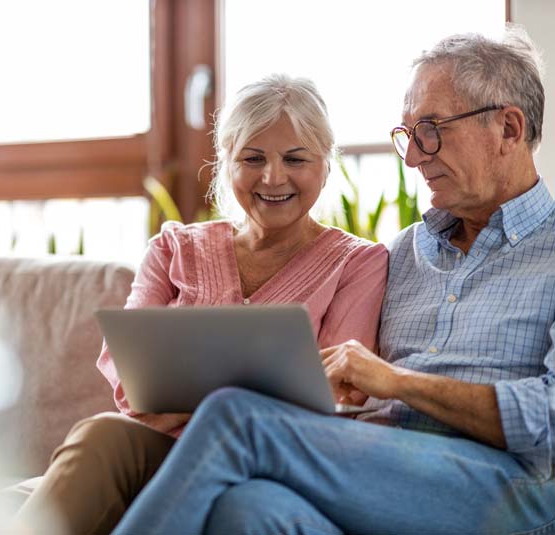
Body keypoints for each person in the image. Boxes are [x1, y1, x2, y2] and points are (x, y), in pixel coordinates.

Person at [112, 26, 555, 535]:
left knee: (238, 417)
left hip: (504, 482)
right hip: (373, 466)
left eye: (431, 129)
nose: (412, 156)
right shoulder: (403, 252)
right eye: (408, 134)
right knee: (248, 509)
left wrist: (397, 382)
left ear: (509, 129)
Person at [15, 74, 388, 534]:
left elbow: (332, 395)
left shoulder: (359, 262)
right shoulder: (173, 247)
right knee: (102, 434)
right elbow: (131, 378)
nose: (273, 177)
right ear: (225, 163)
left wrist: (194, 405)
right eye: (252, 158)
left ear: (326, 167)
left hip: (266, 466)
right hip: (163, 450)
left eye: (296, 159)